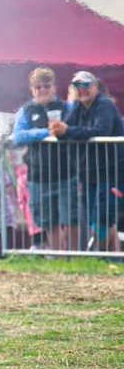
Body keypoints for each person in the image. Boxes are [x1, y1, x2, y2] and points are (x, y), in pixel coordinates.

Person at [50, 71, 123, 251]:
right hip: (89, 173)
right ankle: (109, 257)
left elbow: (101, 131)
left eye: (86, 85)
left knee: (102, 217)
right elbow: (66, 130)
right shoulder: (77, 107)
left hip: (111, 172)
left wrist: (67, 131)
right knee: (96, 218)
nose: (82, 90)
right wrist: (59, 131)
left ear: (95, 86)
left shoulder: (105, 105)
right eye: (77, 86)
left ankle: (100, 256)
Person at [12, 67, 75, 251]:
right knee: (49, 222)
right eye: (38, 87)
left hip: (67, 174)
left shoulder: (67, 108)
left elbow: (78, 127)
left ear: (54, 87)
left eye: (46, 86)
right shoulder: (26, 111)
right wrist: (46, 133)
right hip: (39, 176)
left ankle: (75, 258)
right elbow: (18, 136)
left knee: (71, 219)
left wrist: (64, 130)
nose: (42, 90)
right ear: (32, 90)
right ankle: (58, 258)